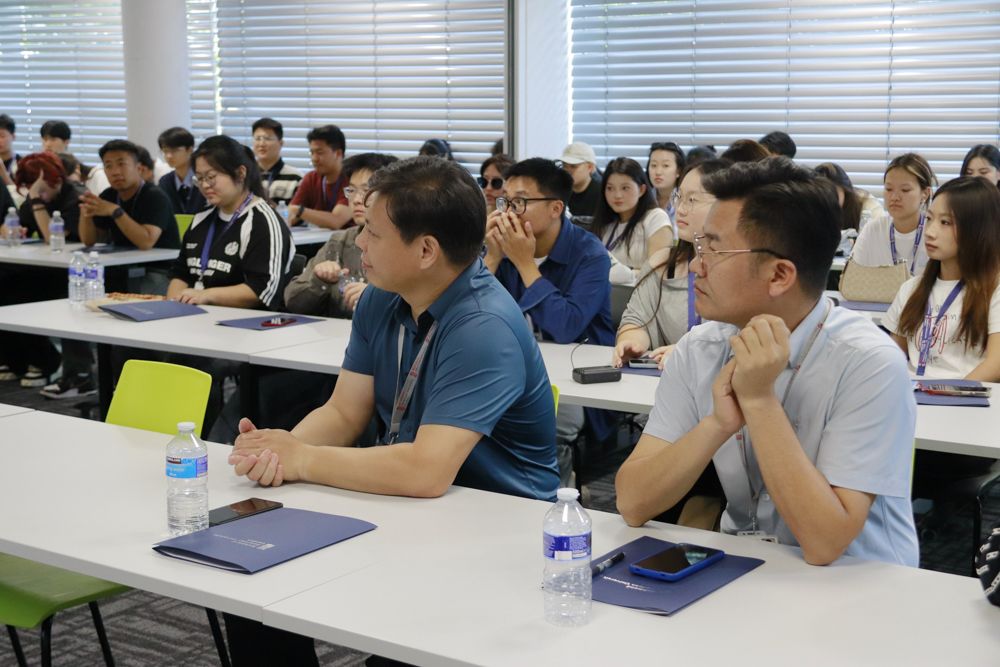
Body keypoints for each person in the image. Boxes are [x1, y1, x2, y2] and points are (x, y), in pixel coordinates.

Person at [226, 155, 560, 667]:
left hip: (492, 529)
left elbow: (427, 470)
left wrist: (302, 460)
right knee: (250, 578)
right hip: (403, 501)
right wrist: (279, 449)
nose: (359, 244)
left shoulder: (483, 325)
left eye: (373, 234)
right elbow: (343, 413)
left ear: (426, 250)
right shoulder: (385, 296)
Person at [615, 158, 919, 567]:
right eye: (699, 246)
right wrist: (717, 424)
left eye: (714, 250)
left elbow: (825, 543)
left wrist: (758, 401)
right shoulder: (699, 348)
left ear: (780, 275)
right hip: (746, 565)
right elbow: (632, 503)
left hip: (861, 579)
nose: (697, 266)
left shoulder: (869, 363)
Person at [485, 157, 614, 482]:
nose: (509, 211)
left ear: (556, 208)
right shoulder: (504, 249)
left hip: (573, 382)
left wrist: (525, 264)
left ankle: (549, 504)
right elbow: (472, 315)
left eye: (521, 202)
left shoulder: (589, 254)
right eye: (506, 201)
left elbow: (566, 326)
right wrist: (492, 257)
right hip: (514, 369)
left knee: (538, 427)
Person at [612, 158, 731, 370]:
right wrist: (632, 339)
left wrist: (688, 349)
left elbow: (741, 334)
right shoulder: (662, 263)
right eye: (679, 197)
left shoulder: (742, 269)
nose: (680, 209)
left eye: (692, 200)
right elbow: (637, 317)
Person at [884, 177, 1000, 381]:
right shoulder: (912, 288)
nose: (930, 232)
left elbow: (995, 365)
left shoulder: (994, 290)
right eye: (929, 219)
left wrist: (947, 395)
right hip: (915, 399)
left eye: (945, 222)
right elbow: (891, 357)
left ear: (978, 230)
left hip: (969, 402)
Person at [167, 135, 293, 309]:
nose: (205, 186)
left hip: (248, 326)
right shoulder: (201, 219)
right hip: (197, 318)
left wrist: (205, 295)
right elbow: (180, 274)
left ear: (240, 173)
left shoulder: (263, 222)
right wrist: (174, 305)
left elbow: (262, 290)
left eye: (211, 177)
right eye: (199, 179)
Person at [0, 153, 88, 390]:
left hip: (78, 273)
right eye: (28, 186)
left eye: (37, 184)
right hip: (45, 269)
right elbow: (20, 228)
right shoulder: (37, 197)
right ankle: (14, 358)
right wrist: (14, 231)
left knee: (19, 297)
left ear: (56, 179)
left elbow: (54, 237)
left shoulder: (75, 196)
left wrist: (37, 201)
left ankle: (45, 361)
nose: (32, 190)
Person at [285, 152, 398, 317]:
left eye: (367, 191)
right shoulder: (340, 242)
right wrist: (318, 281)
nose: (357, 199)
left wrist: (377, 298)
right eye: (351, 190)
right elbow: (292, 302)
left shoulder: (405, 244)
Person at [78, 139, 180, 294]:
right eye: (108, 166)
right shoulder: (108, 195)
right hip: (120, 266)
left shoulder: (155, 196)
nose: (115, 171)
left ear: (138, 168)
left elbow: (146, 242)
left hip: (158, 270)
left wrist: (116, 212)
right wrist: (86, 214)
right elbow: (90, 241)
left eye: (121, 164)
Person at [851, 153, 937, 276]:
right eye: (889, 189)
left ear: (925, 193)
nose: (894, 197)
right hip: (878, 295)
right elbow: (853, 277)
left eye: (905, 190)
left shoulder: (935, 232)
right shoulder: (873, 229)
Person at [591, 157, 672, 284]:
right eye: (610, 188)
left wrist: (629, 274)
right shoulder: (606, 225)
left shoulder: (655, 218)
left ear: (641, 190)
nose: (617, 195)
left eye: (625, 188)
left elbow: (658, 271)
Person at [287, 124, 351, 229]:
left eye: (319, 152)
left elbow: (336, 221)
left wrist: (300, 211)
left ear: (338, 153)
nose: (314, 158)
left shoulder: (351, 179)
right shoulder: (311, 178)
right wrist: (295, 213)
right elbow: (290, 215)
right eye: (312, 153)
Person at [157, 126, 207, 216]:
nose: (168, 156)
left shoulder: (204, 179)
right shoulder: (165, 182)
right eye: (165, 151)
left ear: (190, 149)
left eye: (174, 150)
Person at [252, 117, 302, 204]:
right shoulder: (245, 176)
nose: (261, 144)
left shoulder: (296, 178)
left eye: (267, 138)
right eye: (258, 138)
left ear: (281, 143)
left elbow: (295, 214)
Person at [559, 141, 602, 216]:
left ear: (590, 167)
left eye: (573, 166)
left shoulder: (602, 194)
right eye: (565, 166)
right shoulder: (559, 192)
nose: (567, 171)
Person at [646, 141, 685, 218]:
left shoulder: (685, 201)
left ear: (678, 171)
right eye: (654, 165)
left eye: (665, 165)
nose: (658, 172)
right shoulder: (643, 199)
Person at [0, 114, 22, 208]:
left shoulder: (23, 164)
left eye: (2, 136)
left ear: (13, 136)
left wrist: (3, 174)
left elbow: (22, 199)